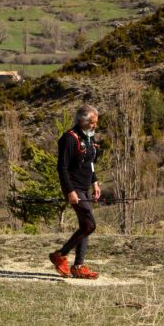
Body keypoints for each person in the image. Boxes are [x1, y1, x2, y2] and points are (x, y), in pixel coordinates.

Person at [49, 104, 101, 279]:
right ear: (81, 121)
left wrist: (95, 183)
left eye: (96, 122)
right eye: (92, 122)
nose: (94, 125)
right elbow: (62, 168)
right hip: (74, 188)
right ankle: (60, 255)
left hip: (85, 187)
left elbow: (90, 163)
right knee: (90, 225)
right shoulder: (69, 139)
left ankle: (78, 266)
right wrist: (70, 191)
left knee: (85, 226)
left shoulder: (89, 138)